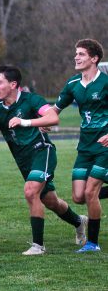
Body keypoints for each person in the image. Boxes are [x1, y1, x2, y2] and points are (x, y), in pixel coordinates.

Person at [0, 65, 87, 255]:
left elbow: (53, 117)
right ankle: (79, 221)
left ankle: (38, 246)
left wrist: (25, 122)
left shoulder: (31, 100)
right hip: (24, 161)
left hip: (42, 152)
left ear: (13, 84)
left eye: (0, 82)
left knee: (30, 192)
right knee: (51, 201)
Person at [53, 39, 108, 252]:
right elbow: (54, 109)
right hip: (84, 147)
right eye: (76, 53)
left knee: (91, 193)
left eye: (82, 54)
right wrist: (40, 121)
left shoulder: (105, 83)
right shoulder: (73, 84)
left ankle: (92, 243)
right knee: (78, 196)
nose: (76, 57)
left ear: (94, 59)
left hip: (104, 145)